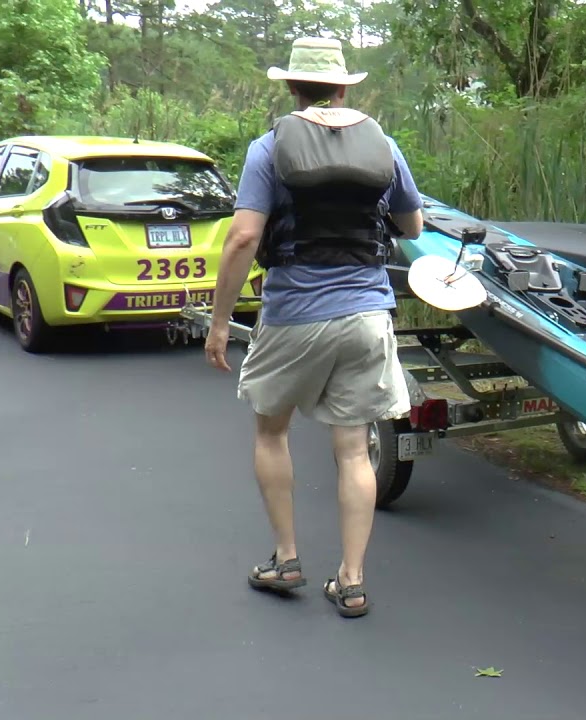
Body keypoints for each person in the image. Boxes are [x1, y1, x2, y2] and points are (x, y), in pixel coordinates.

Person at [204, 36, 424, 618]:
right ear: (343, 87)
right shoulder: (384, 147)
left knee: (271, 433)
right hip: (366, 316)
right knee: (353, 450)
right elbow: (412, 225)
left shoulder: (268, 148)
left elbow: (244, 237)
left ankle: (286, 559)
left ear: (292, 88)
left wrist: (221, 322)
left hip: (293, 316)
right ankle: (352, 581)